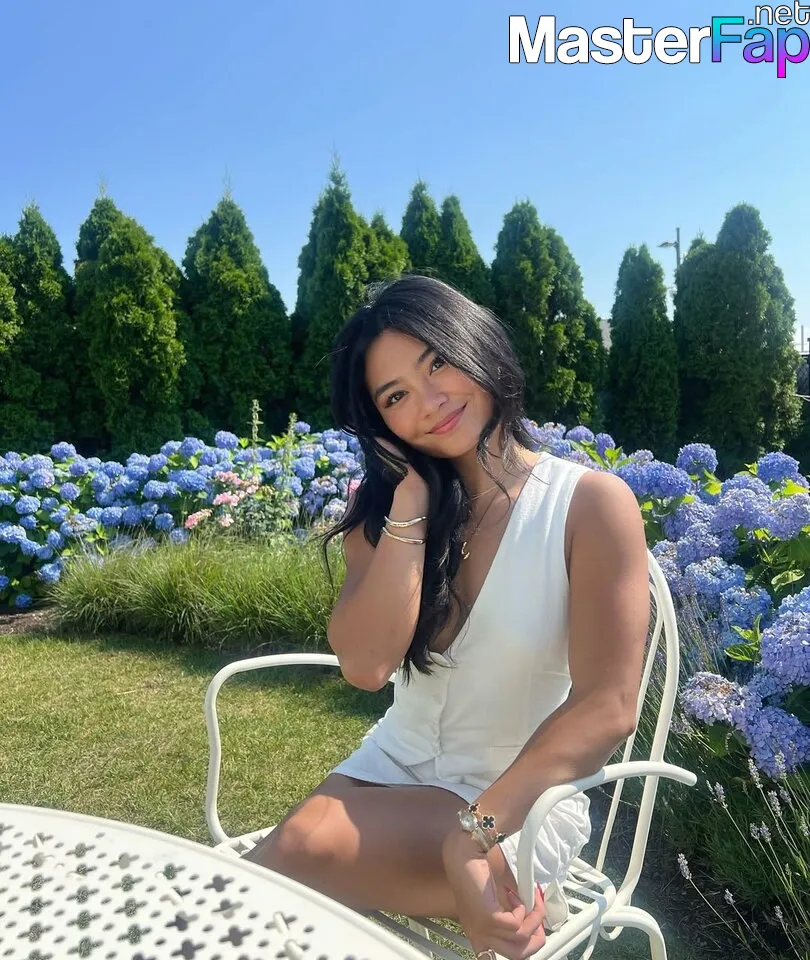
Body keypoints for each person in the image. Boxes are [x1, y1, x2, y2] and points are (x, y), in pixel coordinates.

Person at [243, 274, 650, 960]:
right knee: (268, 898)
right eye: (395, 396)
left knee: (275, 873)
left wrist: (474, 834)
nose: (429, 402)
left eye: (436, 363)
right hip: (387, 769)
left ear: (475, 344)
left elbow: (607, 704)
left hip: (516, 803)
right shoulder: (386, 514)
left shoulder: (589, 505)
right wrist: (408, 504)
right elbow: (366, 666)